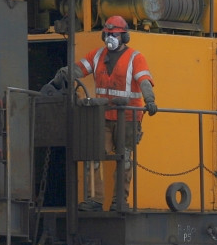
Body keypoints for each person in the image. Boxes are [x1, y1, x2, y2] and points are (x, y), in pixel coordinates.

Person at [48, 15, 157, 211]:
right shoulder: (97, 56)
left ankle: (120, 201)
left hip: (129, 118)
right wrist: (63, 74)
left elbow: (144, 81)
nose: (110, 38)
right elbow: (79, 69)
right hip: (104, 116)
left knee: (124, 159)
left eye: (114, 35)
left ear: (124, 37)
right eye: (107, 34)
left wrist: (149, 100)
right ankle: (95, 200)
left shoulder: (135, 58)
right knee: (96, 154)